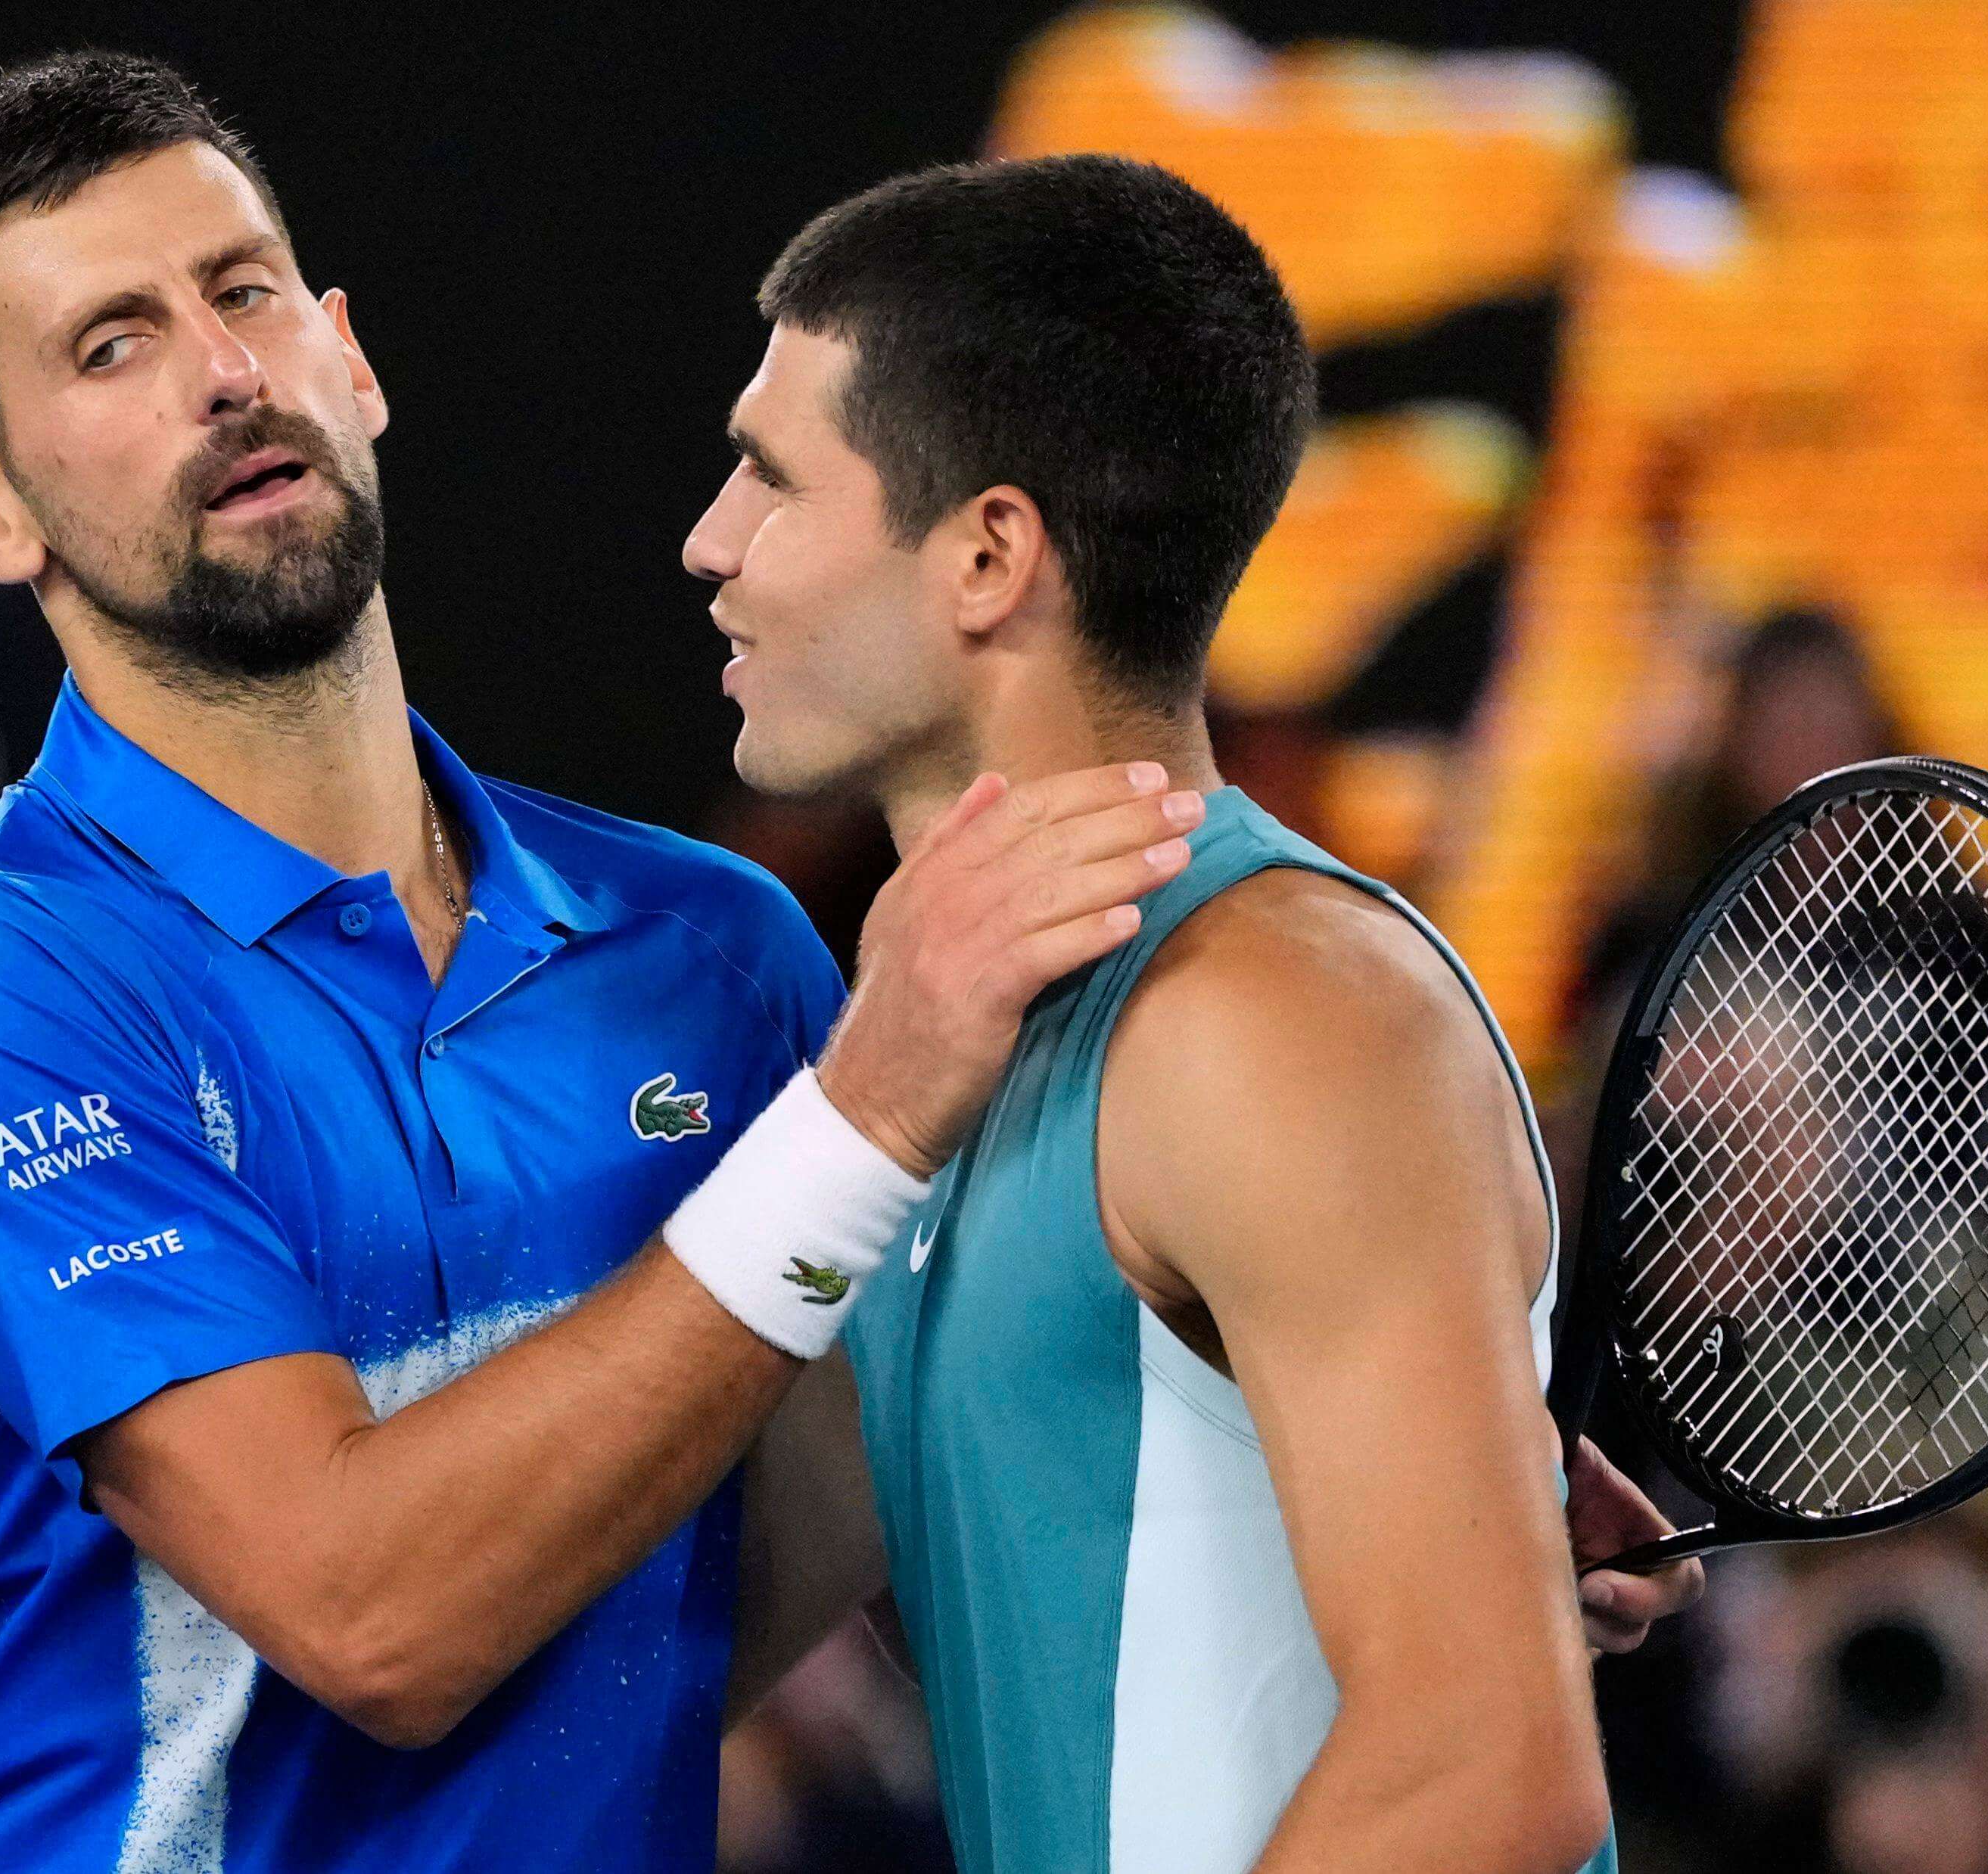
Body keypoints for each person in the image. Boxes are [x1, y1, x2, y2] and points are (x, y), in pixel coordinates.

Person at [0, 54, 1198, 1872]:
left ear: (347, 358)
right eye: (108, 348)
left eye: (244, 292)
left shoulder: (716, 950)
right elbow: (379, 1619)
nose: (224, 372)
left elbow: (797, 1565)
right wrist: (868, 1112)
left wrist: (1358, 1510)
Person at [684, 155, 1703, 1872]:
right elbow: (689, 1652)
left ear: (988, 556)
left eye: (773, 479)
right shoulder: (945, 1049)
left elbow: (1490, 1778)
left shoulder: (1275, 1016)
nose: (712, 543)